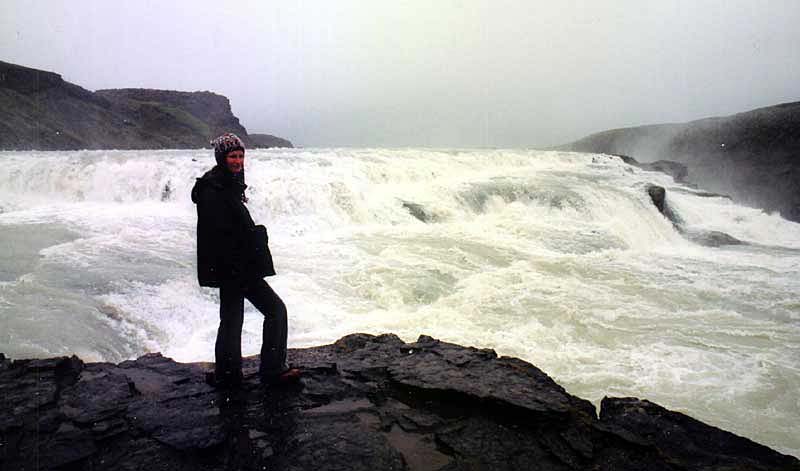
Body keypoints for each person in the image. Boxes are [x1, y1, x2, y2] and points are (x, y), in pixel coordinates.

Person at [191, 132, 300, 388]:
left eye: (240, 156)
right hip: (235, 267)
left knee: (231, 318)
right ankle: (273, 371)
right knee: (276, 310)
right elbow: (219, 234)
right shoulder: (215, 188)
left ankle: (227, 375)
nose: (238, 161)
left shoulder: (223, 183)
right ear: (221, 157)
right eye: (232, 156)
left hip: (229, 266)